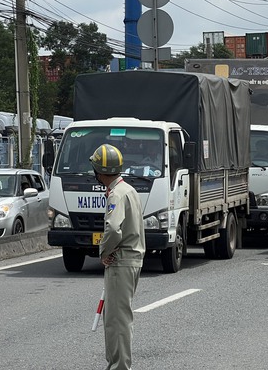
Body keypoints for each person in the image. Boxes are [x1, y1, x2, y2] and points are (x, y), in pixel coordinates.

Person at [90, 144, 146, 370]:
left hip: (121, 262)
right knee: (119, 318)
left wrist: (104, 251)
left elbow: (113, 228)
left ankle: (119, 366)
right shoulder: (128, 190)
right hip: (131, 260)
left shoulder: (116, 194)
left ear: (99, 171)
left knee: (116, 321)